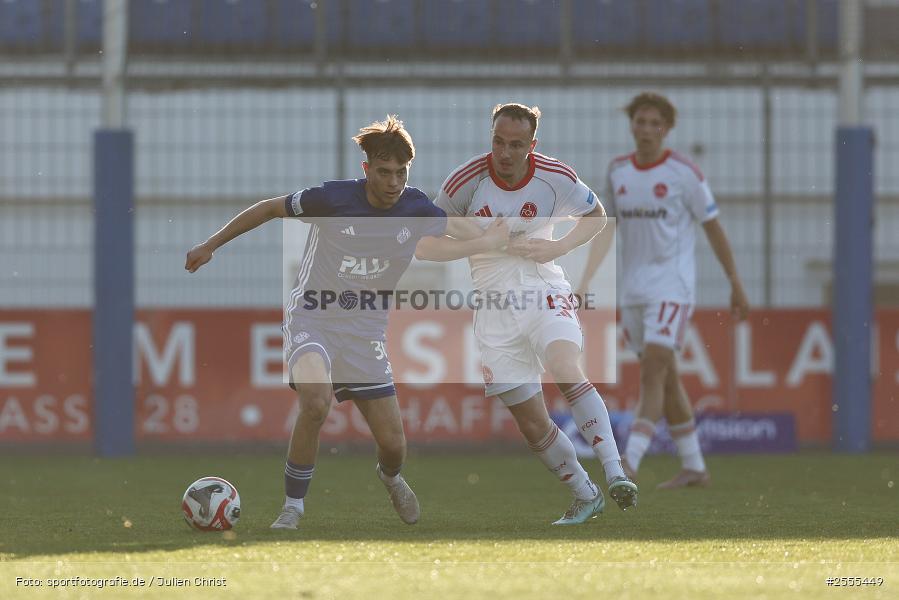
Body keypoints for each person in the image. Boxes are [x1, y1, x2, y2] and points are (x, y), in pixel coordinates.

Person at [185, 115, 508, 530]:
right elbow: (269, 209)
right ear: (367, 168)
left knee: (393, 446)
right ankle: (292, 508)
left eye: (401, 173)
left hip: (365, 332)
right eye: (385, 171)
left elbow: (446, 239)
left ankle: (389, 477)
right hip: (312, 317)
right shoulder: (332, 199)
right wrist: (211, 244)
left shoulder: (415, 207)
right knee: (316, 402)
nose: (393, 181)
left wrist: (496, 235)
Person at [417, 103, 638, 525]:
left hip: (542, 287)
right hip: (494, 306)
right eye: (498, 141)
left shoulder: (556, 176)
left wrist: (557, 248)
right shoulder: (465, 181)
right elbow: (426, 245)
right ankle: (585, 493)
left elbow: (597, 217)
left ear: (531, 145)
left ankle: (614, 471)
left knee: (564, 366)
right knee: (532, 422)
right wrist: (481, 244)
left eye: (515, 144)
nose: (504, 151)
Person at [577, 92, 750, 489]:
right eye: (641, 121)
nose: (647, 130)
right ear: (632, 125)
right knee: (666, 378)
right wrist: (587, 279)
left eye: (656, 123)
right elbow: (610, 229)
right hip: (634, 290)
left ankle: (629, 463)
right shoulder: (618, 171)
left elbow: (713, 226)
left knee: (653, 369)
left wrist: (735, 282)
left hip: (672, 286)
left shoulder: (684, 172)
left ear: (667, 129)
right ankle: (695, 467)